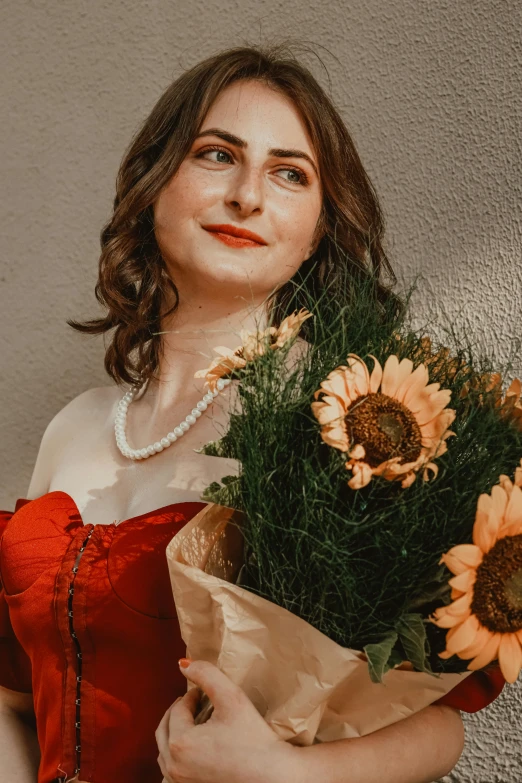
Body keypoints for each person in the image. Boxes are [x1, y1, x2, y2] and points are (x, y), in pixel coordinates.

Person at [0, 43, 505, 783]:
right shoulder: (75, 424)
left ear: (316, 232)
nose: (247, 195)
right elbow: (16, 696)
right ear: (153, 184)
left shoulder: (352, 432)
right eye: (215, 155)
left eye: (289, 174)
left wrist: (287, 774)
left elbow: (438, 723)